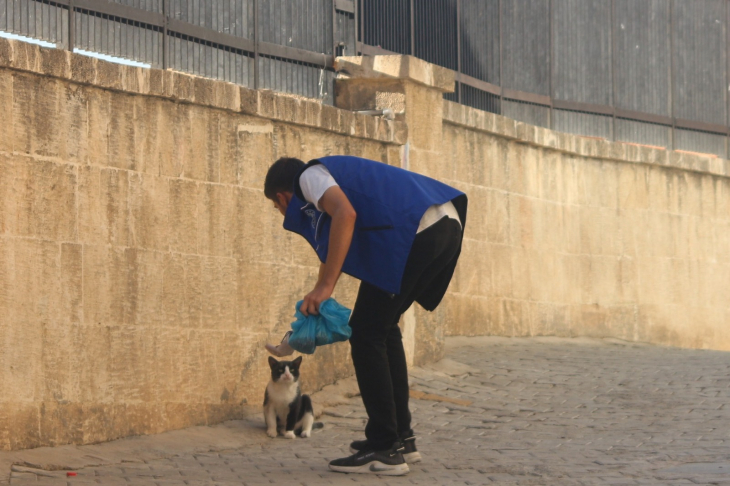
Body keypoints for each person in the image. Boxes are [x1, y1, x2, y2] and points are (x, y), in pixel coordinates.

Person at [263, 155, 467, 476]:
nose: (281, 214)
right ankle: (401, 438)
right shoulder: (325, 180)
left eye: (277, 209)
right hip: (442, 224)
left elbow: (346, 214)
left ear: (280, 197)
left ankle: (385, 447)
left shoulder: (307, 178)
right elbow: (336, 238)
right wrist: (320, 288)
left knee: (366, 332)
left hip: (416, 230)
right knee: (383, 330)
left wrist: (327, 286)